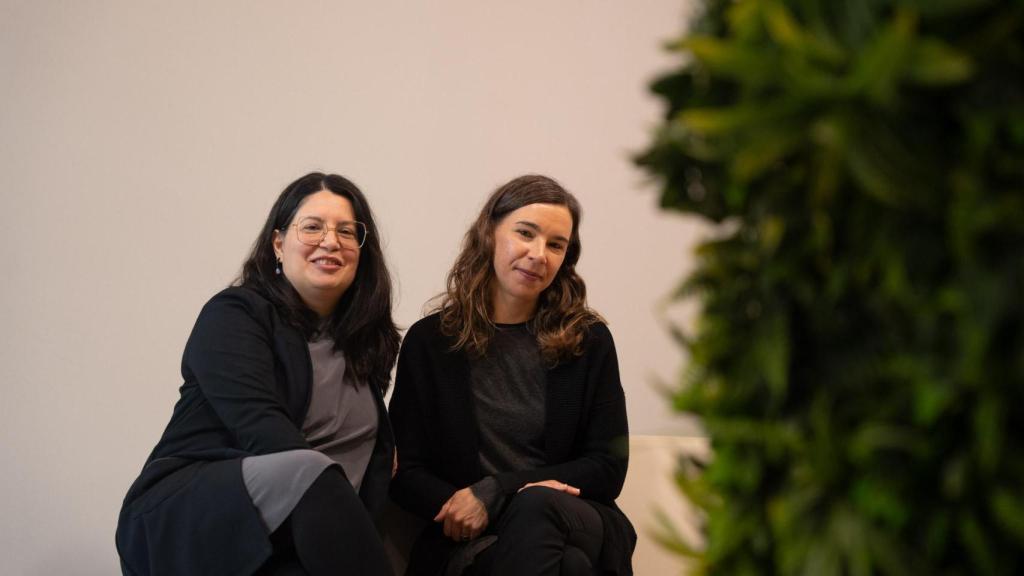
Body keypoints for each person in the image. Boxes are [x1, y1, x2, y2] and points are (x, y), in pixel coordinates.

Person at [115, 172, 400, 575]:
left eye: (347, 231)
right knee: (310, 470)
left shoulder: (367, 344)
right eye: (313, 227)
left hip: (299, 534)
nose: (331, 241)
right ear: (279, 245)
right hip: (200, 510)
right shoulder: (235, 314)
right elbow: (259, 426)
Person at [389, 175, 635, 576]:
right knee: (569, 567)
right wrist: (467, 506)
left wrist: (499, 491)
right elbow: (406, 471)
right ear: (489, 234)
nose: (539, 254)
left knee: (536, 505)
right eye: (525, 233)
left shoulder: (588, 340)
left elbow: (608, 466)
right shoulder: (430, 342)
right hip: (475, 538)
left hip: (576, 520)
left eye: (556, 245)